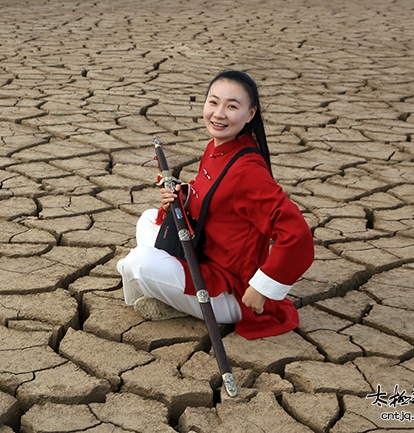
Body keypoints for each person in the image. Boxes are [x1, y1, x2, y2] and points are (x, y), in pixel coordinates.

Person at [117, 70, 314, 339]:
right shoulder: (219, 145)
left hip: (231, 290)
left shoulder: (249, 172)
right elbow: (215, 197)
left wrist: (262, 288)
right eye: (213, 102)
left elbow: (298, 236)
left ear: (250, 114)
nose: (219, 113)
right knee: (149, 219)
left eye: (232, 106)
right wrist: (184, 196)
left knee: (137, 263)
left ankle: (170, 298)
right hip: (204, 255)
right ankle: (171, 297)